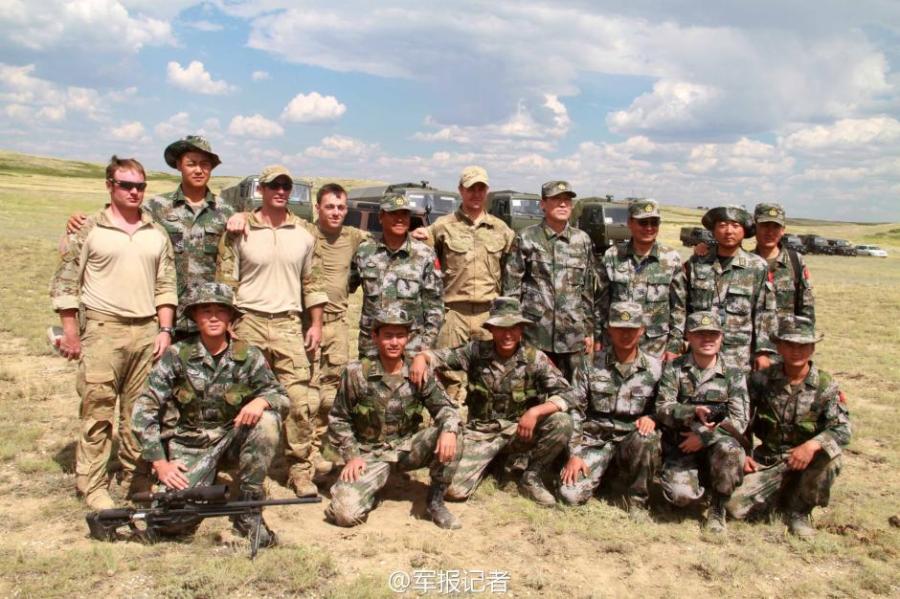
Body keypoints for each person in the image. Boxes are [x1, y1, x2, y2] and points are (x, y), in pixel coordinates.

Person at [50, 155, 177, 510]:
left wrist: (165, 329)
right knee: (98, 411)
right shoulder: (89, 229)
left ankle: (137, 479)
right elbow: (66, 283)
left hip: (147, 330)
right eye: (126, 185)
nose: (134, 192)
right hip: (104, 329)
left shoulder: (155, 232)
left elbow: (166, 284)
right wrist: (71, 333)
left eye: (140, 186)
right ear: (110, 186)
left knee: (140, 413)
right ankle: (92, 484)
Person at [131, 282, 289, 547]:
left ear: (230, 317)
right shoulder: (177, 355)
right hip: (190, 445)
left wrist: (261, 401)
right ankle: (204, 481)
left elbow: (281, 396)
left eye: (221, 311)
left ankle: (249, 508)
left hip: (232, 440)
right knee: (171, 521)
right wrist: (160, 463)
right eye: (206, 311)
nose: (214, 317)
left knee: (267, 420)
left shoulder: (249, 355)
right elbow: (144, 408)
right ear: (195, 316)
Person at [216, 164, 328, 498]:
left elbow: (313, 283)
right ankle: (243, 470)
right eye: (273, 185)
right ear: (261, 190)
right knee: (239, 396)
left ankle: (300, 471)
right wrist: (226, 327)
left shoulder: (305, 232)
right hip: (247, 321)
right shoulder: (240, 229)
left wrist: (316, 324)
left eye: (285, 186)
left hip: (288, 323)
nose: (280, 191)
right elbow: (226, 282)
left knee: (299, 401)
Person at [65, 136, 241, 340]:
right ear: (179, 166)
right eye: (191, 164)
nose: (198, 170)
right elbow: (119, 218)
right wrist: (78, 221)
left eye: (205, 164)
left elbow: (236, 260)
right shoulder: (155, 207)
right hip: (163, 314)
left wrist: (244, 215)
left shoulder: (226, 211)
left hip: (208, 316)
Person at [411, 297, 576, 506]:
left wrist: (534, 412)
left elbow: (568, 394)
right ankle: (493, 464)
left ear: (521, 329)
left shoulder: (535, 358)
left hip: (519, 432)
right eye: (501, 328)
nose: (507, 334)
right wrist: (421, 358)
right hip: (481, 433)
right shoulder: (475, 351)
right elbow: (440, 356)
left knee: (561, 421)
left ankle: (531, 477)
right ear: (491, 329)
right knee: (453, 491)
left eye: (513, 328)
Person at [325, 307, 462, 529]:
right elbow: (338, 419)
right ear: (375, 337)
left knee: (453, 429)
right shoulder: (356, 372)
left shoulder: (418, 371)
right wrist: (352, 456)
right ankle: (369, 490)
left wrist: (448, 430)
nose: (394, 342)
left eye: (400, 336)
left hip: (407, 449)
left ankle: (435, 502)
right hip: (370, 454)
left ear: (408, 338)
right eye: (388, 335)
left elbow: (445, 408)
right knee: (345, 515)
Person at [727, 316, 850, 538]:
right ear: (779, 347)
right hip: (769, 461)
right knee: (734, 508)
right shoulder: (760, 380)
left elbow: (842, 429)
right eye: (790, 345)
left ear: (812, 348)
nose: (796, 351)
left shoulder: (825, 385)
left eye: (803, 345)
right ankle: (783, 497)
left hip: (807, 462)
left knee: (831, 457)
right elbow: (741, 420)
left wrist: (811, 446)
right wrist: (743, 453)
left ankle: (800, 512)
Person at [411, 166, 515, 403]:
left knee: (490, 377)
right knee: (449, 378)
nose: (476, 194)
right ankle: (449, 422)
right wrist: (414, 235)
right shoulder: (443, 226)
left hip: (489, 315)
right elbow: (419, 249)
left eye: (481, 189)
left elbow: (513, 268)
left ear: (487, 191)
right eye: (471, 189)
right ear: (461, 190)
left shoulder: (502, 230)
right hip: (454, 314)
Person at [559, 302, 663, 514]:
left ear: (642, 330)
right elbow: (575, 410)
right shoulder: (589, 364)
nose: (625, 334)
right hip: (595, 441)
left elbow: (664, 407)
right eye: (619, 328)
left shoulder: (655, 368)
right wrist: (574, 454)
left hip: (631, 442)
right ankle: (606, 477)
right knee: (569, 495)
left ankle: (637, 501)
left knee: (647, 437)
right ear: (609, 329)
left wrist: (653, 418)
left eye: (631, 329)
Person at [655, 311, 749, 534]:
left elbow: (740, 420)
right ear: (688, 336)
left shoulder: (734, 373)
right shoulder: (674, 368)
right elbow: (662, 408)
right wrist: (691, 411)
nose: (707, 339)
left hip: (718, 447)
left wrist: (705, 437)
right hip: (682, 448)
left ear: (721, 337)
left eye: (713, 334)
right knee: (681, 497)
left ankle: (717, 507)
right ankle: (701, 483)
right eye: (700, 334)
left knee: (730, 448)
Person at [503, 180, 595, 382]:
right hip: (536, 334)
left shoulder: (582, 240)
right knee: (532, 390)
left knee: (574, 391)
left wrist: (589, 331)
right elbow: (511, 288)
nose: (563, 204)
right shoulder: (526, 237)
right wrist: (513, 327)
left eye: (567, 200)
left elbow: (587, 290)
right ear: (543, 204)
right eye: (556, 199)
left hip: (573, 335)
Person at [349, 192, 443, 359]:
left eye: (404, 214)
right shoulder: (365, 252)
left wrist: (425, 348)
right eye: (393, 213)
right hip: (372, 346)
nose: (400, 219)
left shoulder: (425, 255)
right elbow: (344, 287)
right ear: (381, 217)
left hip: (411, 348)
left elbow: (435, 307)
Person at [684, 205, 776, 373]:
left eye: (735, 225)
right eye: (722, 225)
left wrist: (763, 351)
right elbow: (683, 305)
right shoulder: (697, 262)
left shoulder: (757, 266)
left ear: (744, 231)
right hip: (700, 351)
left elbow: (764, 311)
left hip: (738, 354)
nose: (728, 231)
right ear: (713, 230)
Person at [692, 202, 815, 323]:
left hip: (785, 333)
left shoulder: (795, 261)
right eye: (765, 226)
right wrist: (708, 248)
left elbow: (806, 308)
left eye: (776, 227)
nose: (770, 232)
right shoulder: (744, 263)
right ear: (755, 228)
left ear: (783, 230)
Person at [595, 199, 686, 361]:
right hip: (618, 343)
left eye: (654, 223)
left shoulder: (671, 259)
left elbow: (678, 307)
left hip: (655, 346)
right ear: (630, 223)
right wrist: (597, 337)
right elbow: (601, 303)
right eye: (643, 222)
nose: (649, 228)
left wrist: (674, 345)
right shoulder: (612, 256)